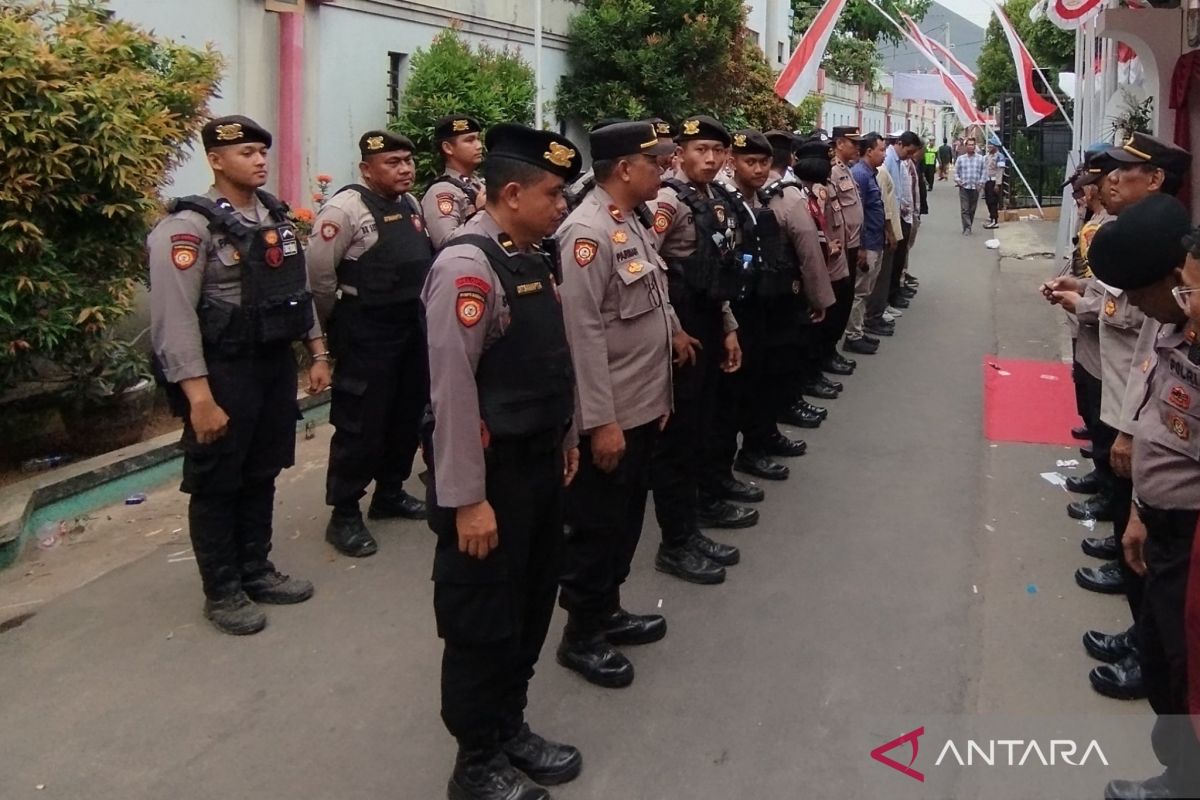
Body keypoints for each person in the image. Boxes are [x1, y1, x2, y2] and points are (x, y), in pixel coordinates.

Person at [421, 122, 584, 800]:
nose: (562, 207)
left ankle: (510, 725)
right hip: (489, 482)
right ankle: (475, 761)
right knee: (481, 620)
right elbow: (452, 394)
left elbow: (553, 358)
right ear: (511, 193)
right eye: (553, 194)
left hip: (539, 465)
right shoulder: (467, 267)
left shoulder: (531, 255)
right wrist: (467, 499)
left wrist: (569, 434)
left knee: (529, 603)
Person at [148, 115, 328, 635]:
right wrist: (199, 398)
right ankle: (222, 589)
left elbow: (293, 287)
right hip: (220, 371)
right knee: (218, 480)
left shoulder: (273, 215)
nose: (259, 159)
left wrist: (317, 351)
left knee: (263, 470)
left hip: (271, 365)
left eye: (261, 151)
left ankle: (256, 568)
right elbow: (174, 320)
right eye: (246, 152)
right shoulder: (187, 228)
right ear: (216, 159)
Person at [552, 121, 681, 689]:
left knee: (627, 519)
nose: (665, 170)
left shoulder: (629, 220)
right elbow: (581, 337)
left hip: (642, 404)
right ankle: (581, 635)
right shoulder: (586, 234)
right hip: (611, 417)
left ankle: (607, 609)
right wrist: (600, 423)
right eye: (656, 162)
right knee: (597, 525)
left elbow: (651, 302)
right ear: (625, 168)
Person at [1089, 194, 1200, 800]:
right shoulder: (1172, 327)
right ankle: (1178, 773)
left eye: (1140, 292)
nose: (1131, 305)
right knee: (1162, 663)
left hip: (1193, 542)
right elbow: (1158, 426)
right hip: (1160, 524)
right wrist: (1136, 512)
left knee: (1186, 676)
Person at [307, 130, 432, 558]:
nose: (405, 169)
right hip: (366, 330)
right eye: (392, 162)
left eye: (407, 161)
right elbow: (319, 280)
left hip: (409, 326)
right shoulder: (344, 210)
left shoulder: (411, 205)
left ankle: (390, 493)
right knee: (361, 422)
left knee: (404, 414)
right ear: (366, 168)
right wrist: (326, 334)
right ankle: (344, 513)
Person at [649, 114, 746, 585]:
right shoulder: (667, 200)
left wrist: (727, 327)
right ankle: (675, 541)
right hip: (678, 329)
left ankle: (692, 521)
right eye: (700, 150)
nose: (709, 158)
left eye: (716, 151)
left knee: (701, 428)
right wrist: (671, 330)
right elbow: (649, 272)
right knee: (678, 438)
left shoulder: (713, 198)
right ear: (679, 154)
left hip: (706, 320)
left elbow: (718, 270)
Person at [825, 126, 864, 375]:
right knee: (837, 303)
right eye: (853, 142)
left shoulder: (846, 169)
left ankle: (833, 350)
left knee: (846, 299)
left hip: (852, 243)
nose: (857, 147)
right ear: (840, 143)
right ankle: (828, 352)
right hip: (840, 246)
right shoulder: (831, 171)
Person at [844, 133, 888, 356]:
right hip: (867, 242)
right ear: (869, 151)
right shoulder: (860, 175)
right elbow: (856, 213)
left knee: (866, 289)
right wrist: (860, 246)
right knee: (860, 291)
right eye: (881, 149)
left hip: (875, 240)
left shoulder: (871, 174)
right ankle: (853, 336)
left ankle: (858, 330)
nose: (884, 154)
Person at [420, 115, 486, 249]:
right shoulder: (442, 191)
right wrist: (481, 214)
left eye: (478, 139)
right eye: (469, 140)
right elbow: (446, 243)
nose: (479, 146)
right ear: (448, 148)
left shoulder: (477, 183)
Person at [954, 137, 986, 235]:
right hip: (964, 187)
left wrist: (981, 184)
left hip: (975, 187)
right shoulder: (961, 159)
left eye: (973, 145)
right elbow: (956, 173)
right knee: (965, 209)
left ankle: (969, 225)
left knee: (972, 209)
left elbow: (984, 172)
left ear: (975, 146)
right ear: (966, 146)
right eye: (969, 145)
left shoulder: (980, 159)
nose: (971, 146)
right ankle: (967, 228)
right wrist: (959, 181)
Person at [982, 142, 1007, 230]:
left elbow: (1000, 171)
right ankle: (991, 217)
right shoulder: (987, 156)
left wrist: (997, 184)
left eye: (991, 145)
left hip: (994, 182)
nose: (989, 147)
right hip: (987, 181)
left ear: (995, 146)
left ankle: (994, 221)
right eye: (988, 145)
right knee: (988, 201)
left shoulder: (1000, 157)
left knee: (993, 202)